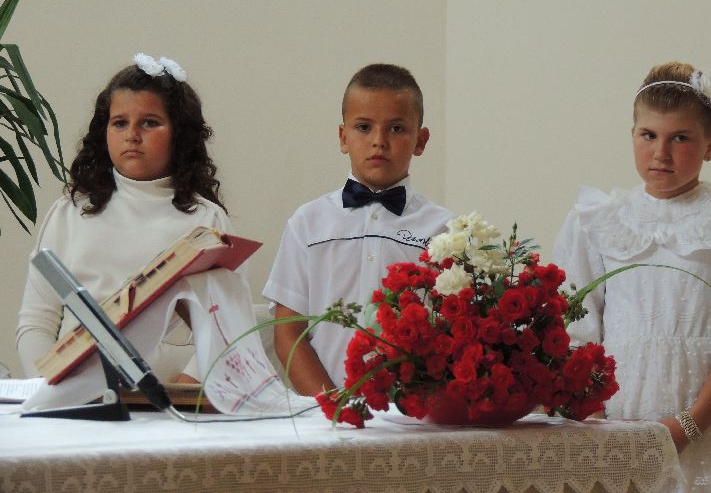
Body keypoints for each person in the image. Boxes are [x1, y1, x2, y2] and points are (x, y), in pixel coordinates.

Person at [554, 61, 711, 492]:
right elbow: (574, 330)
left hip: (705, 427)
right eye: (649, 135)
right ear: (633, 135)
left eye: (680, 138)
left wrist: (685, 429)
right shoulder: (595, 220)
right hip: (612, 424)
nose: (661, 152)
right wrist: (596, 420)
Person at [16, 54, 233, 381]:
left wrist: (182, 392)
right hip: (71, 395)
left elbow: (222, 328)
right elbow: (37, 320)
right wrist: (47, 386)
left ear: (180, 133)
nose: (132, 134)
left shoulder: (206, 220)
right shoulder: (70, 212)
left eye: (150, 122)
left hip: (171, 396)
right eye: (119, 122)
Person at [263, 63, 453, 395]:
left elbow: (453, 335)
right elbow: (288, 333)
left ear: (420, 140)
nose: (379, 141)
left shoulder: (445, 231)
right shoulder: (307, 223)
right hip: (324, 410)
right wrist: (332, 405)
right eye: (364, 127)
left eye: (396, 129)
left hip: (412, 412)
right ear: (343, 137)